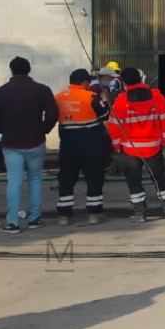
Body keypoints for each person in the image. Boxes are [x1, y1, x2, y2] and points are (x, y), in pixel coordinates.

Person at [0, 57, 59, 233]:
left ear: (11, 70)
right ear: (29, 70)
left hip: (11, 143)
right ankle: (34, 219)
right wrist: (43, 129)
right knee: (35, 179)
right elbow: (52, 113)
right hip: (36, 142)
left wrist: (4, 130)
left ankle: (12, 222)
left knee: (14, 182)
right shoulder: (42, 90)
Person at [109, 67, 165, 222]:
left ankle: (140, 214)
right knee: (160, 179)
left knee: (134, 181)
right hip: (153, 147)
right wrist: (163, 140)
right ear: (141, 78)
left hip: (130, 149)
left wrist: (117, 146)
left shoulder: (121, 101)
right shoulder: (157, 96)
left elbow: (114, 126)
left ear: (124, 82)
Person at [54, 68, 110, 226]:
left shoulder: (58, 97)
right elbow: (105, 115)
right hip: (91, 144)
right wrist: (104, 101)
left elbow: (52, 115)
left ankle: (64, 216)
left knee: (66, 179)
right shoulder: (91, 97)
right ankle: (94, 213)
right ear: (85, 82)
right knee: (94, 177)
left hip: (67, 145)